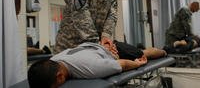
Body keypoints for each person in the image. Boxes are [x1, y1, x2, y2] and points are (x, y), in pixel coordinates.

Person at [28, 42, 166, 88]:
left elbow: (122, 64)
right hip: (95, 48)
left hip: (116, 50)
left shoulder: (91, 68)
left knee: (144, 53)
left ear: (59, 77)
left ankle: (165, 50)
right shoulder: (54, 59)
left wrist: (137, 63)